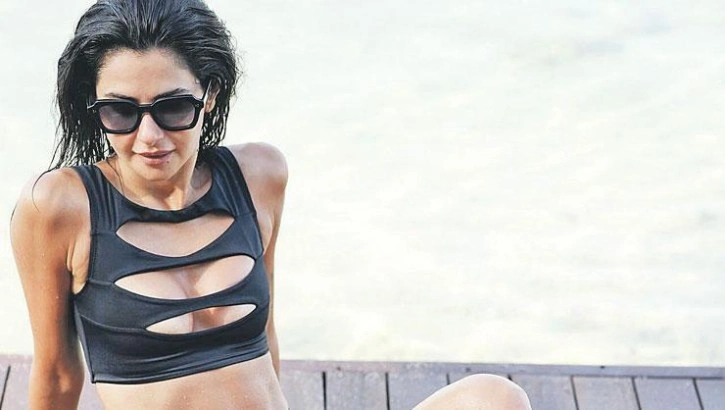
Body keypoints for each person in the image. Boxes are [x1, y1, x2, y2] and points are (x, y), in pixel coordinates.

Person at [10, 1, 531, 409]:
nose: (148, 135)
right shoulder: (60, 206)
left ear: (209, 95)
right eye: (120, 112)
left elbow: (265, 339)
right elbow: (57, 375)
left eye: (173, 107)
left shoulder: (258, 176)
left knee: (495, 397)